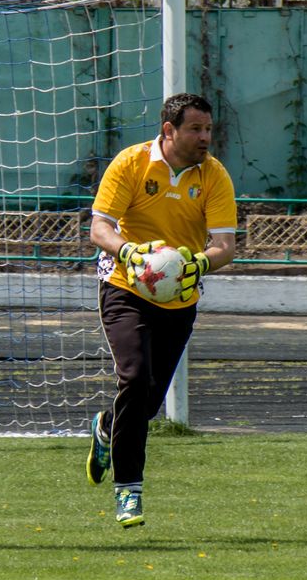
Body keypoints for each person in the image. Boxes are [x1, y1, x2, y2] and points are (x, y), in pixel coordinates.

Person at [85, 93, 237, 527]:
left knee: (147, 401)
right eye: (196, 129)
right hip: (123, 285)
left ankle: (106, 427)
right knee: (134, 378)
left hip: (180, 296)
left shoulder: (214, 176)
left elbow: (225, 246)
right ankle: (128, 492)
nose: (205, 137)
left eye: (208, 128)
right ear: (169, 130)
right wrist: (130, 253)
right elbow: (100, 227)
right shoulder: (131, 163)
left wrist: (198, 263)